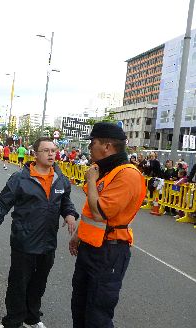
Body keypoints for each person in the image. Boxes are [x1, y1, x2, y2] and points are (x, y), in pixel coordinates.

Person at [0, 137, 78, 328]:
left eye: (53, 150)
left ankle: (32, 318)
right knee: (18, 284)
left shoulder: (60, 179)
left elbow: (65, 202)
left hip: (48, 242)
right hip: (24, 240)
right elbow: (2, 204)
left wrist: (69, 214)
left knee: (39, 283)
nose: (51, 154)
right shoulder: (20, 179)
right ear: (35, 154)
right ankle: (12, 321)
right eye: (46, 150)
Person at [69, 122, 146, 328]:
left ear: (107, 146)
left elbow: (99, 211)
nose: (89, 148)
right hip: (90, 247)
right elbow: (89, 212)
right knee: (80, 305)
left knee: (98, 314)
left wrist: (92, 180)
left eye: (92, 143)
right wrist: (78, 234)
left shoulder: (127, 175)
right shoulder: (106, 170)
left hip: (109, 252)